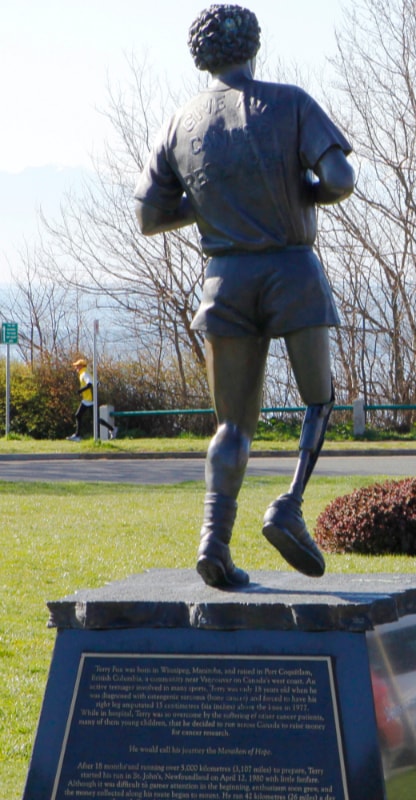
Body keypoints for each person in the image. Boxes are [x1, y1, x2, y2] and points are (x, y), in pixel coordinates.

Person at [133, 4, 355, 588]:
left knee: (231, 426)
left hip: (224, 277)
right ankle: (289, 504)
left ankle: (214, 539)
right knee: (318, 400)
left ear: (202, 56)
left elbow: (149, 215)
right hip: (291, 269)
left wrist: (208, 206)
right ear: (253, 47)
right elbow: (340, 180)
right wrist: (300, 192)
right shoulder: (291, 102)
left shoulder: (180, 123)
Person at [68, 358, 116, 442]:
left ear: (81, 366)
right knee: (88, 417)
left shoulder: (84, 373)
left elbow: (90, 384)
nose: (76, 367)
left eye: (77, 366)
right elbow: (95, 383)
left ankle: (78, 436)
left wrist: (80, 391)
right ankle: (112, 429)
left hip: (89, 400)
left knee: (79, 415)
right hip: (88, 399)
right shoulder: (85, 372)